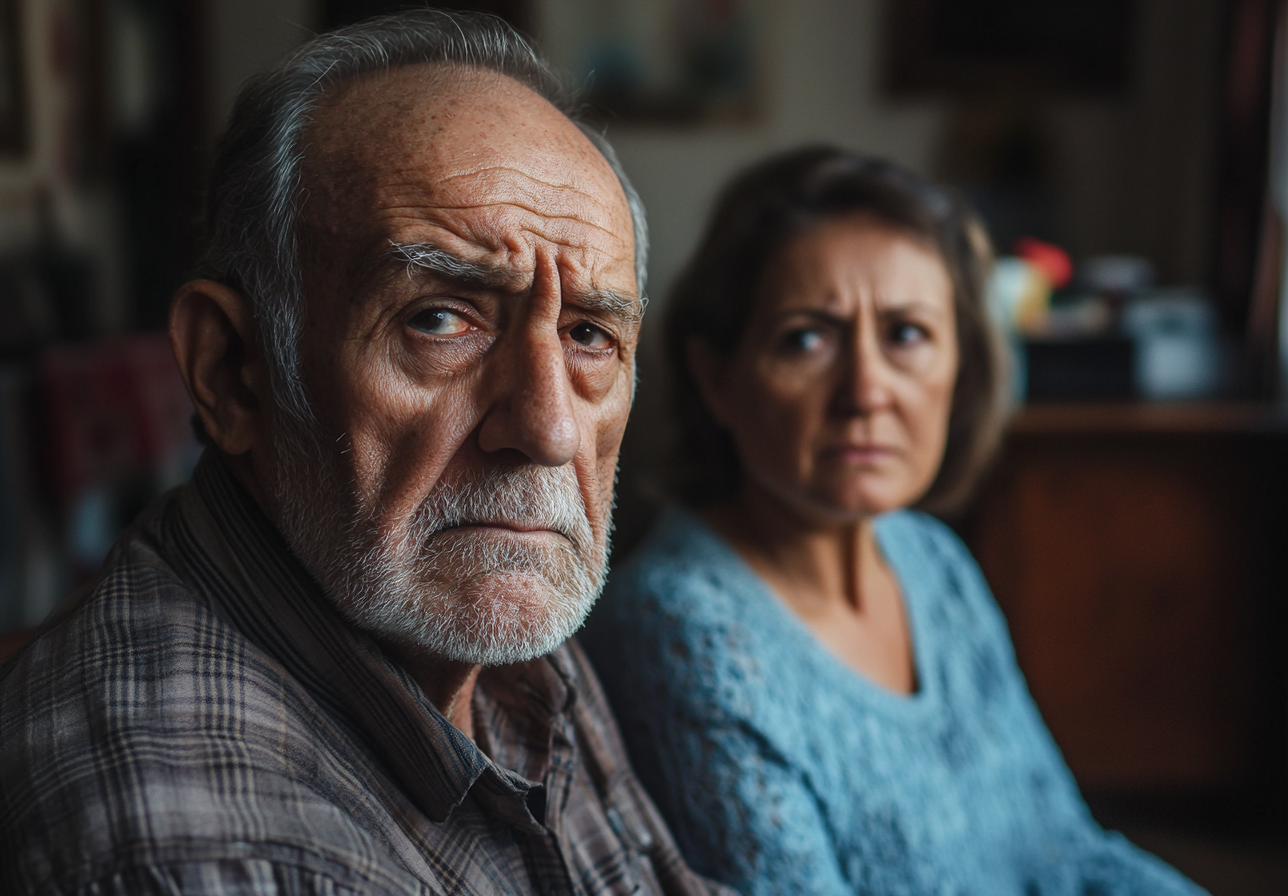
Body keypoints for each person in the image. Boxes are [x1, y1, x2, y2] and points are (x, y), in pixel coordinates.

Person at [0, 12, 733, 896]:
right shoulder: (193, 850)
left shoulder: (483, 598)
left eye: (588, 334)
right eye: (440, 319)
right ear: (232, 372)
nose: (547, 430)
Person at [582, 146, 1206, 896]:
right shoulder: (680, 630)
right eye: (806, 338)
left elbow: (1062, 851)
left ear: (960, 367)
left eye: (906, 334)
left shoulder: (930, 561)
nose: (866, 391)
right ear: (718, 377)